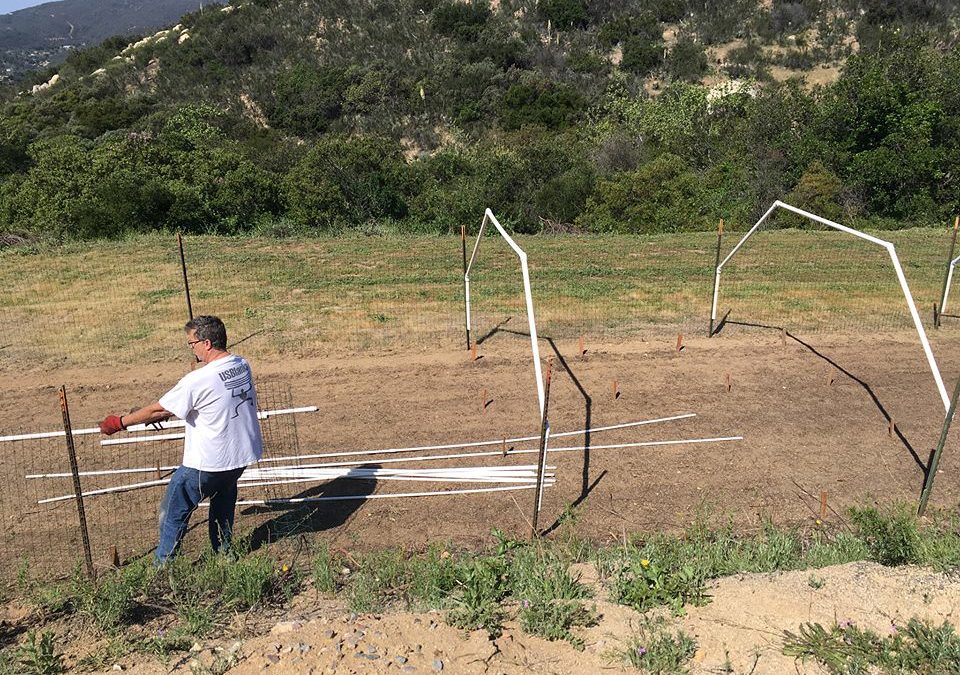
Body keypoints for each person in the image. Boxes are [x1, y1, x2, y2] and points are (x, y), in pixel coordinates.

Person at [99, 315, 263, 564]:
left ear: (206, 343)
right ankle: (224, 554)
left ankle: (164, 565)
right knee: (223, 504)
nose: (191, 348)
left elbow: (157, 410)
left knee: (173, 511)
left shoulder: (198, 380)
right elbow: (205, 401)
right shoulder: (241, 364)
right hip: (239, 457)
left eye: (192, 343)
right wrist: (170, 410)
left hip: (206, 463)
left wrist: (119, 422)